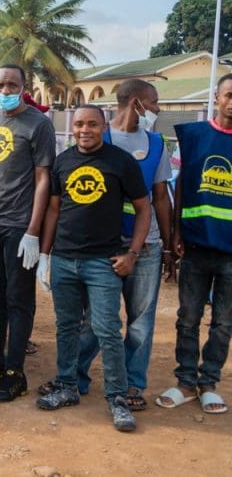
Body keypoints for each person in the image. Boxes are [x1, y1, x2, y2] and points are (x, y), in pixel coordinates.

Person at [37, 105, 149, 432]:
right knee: (66, 326)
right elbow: (54, 211)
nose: (85, 130)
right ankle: (67, 385)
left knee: (107, 330)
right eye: (80, 124)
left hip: (103, 262)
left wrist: (132, 253)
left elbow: (143, 210)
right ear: (72, 127)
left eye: (92, 124)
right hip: (64, 259)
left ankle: (117, 398)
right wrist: (45, 255)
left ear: (104, 127)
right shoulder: (63, 161)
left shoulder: (121, 162)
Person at [68, 79, 172, 410]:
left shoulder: (157, 143)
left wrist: (168, 245)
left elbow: (160, 199)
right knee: (97, 319)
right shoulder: (101, 137)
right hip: (105, 245)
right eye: (154, 102)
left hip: (147, 246)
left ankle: (131, 384)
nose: (157, 109)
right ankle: (75, 376)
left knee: (141, 320)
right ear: (137, 103)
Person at [0, 64, 55, 403]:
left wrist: (34, 231)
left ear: (23, 86)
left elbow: (43, 178)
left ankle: (14, 372)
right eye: (0, 84)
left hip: (19, 226)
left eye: (11, 84)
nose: (4, 89)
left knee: (19, 300)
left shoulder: (39, 124)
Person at [156, 73, 232, 415]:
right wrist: (175, 234)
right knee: (188, 318)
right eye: (229, 95)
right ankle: (186, 381)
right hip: (196, 246)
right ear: (216, 98)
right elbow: (181, 187)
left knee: (224, 323)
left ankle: (209, 382)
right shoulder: (194, 136)